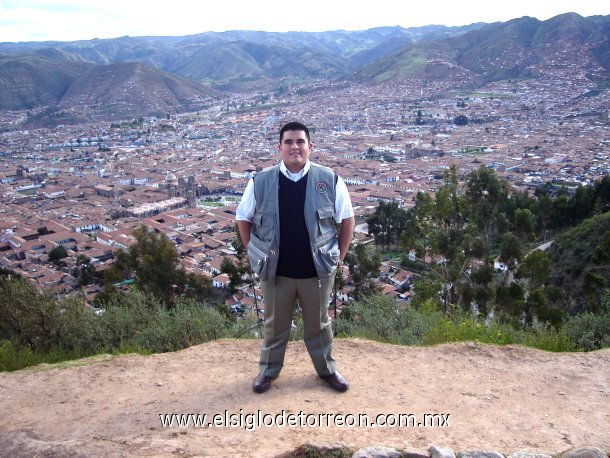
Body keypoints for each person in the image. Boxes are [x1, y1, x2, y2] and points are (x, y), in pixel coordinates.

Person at [236, 121, 355, 393]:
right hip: (276, 272)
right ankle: (267, 371)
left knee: (320, 325)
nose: (294, 147)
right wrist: (254, 253)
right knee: (275, 325)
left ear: (310, 147)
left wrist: (339, 258)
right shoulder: (260, 181)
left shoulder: (330, 179)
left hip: (317, 271)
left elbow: (347, 219)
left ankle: (327, 370)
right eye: (288, 142)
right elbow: (243, 218)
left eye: (300, 142)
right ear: (279, 148)